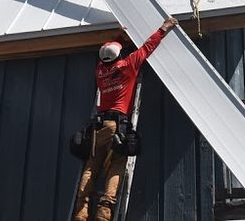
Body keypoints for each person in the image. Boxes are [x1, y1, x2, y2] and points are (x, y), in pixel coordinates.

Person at [72, 17, 179, 221]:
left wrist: (117, 36)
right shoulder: (128, 65)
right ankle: (103, 215)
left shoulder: (100, 71)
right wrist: (165, 27)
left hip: (98, 127)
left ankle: (81, 212)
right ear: (120, 54)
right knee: (116, 166)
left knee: (91, 168)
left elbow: (107, 51)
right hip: (117, 126)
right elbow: (149, 46)